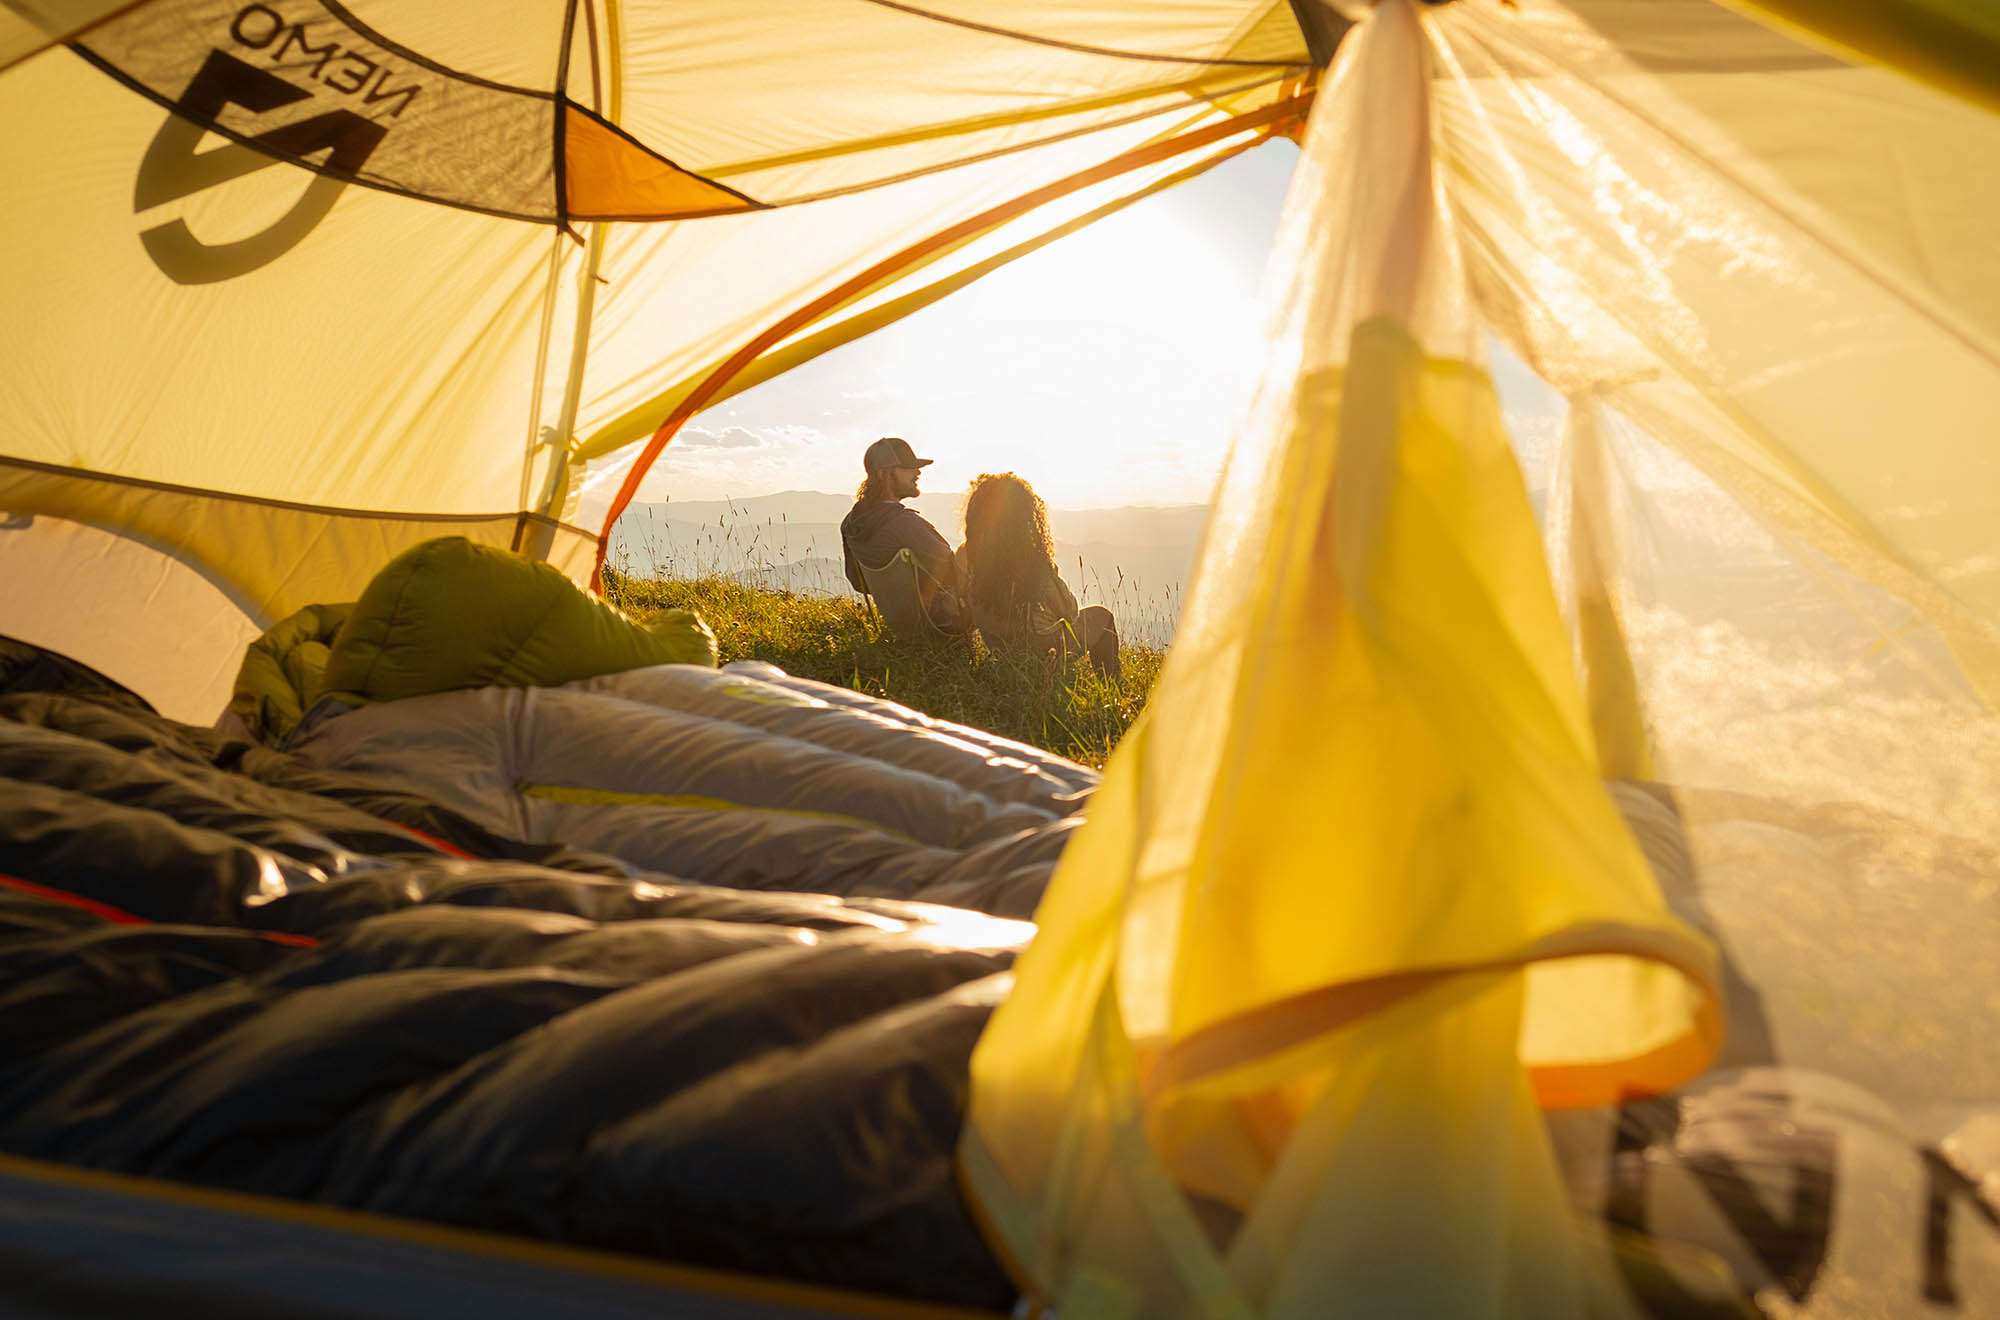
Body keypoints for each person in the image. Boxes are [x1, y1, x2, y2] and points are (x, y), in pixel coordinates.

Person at [956, 472, 1121, 682]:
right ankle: (1112, 686)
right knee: (1102, 616)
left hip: (998, 646)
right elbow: (1069, 613)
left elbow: (963, 605)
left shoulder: (965, 554)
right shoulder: (1033, 560)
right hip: (1044, 649)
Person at [840, 436, 961, 630]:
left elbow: (858, 583)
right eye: (908, 467)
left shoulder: (850, 523)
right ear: (884, 474)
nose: (918, 472)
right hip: (940, 626)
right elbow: (955, 570)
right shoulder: (905, 524)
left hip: (900, 627)